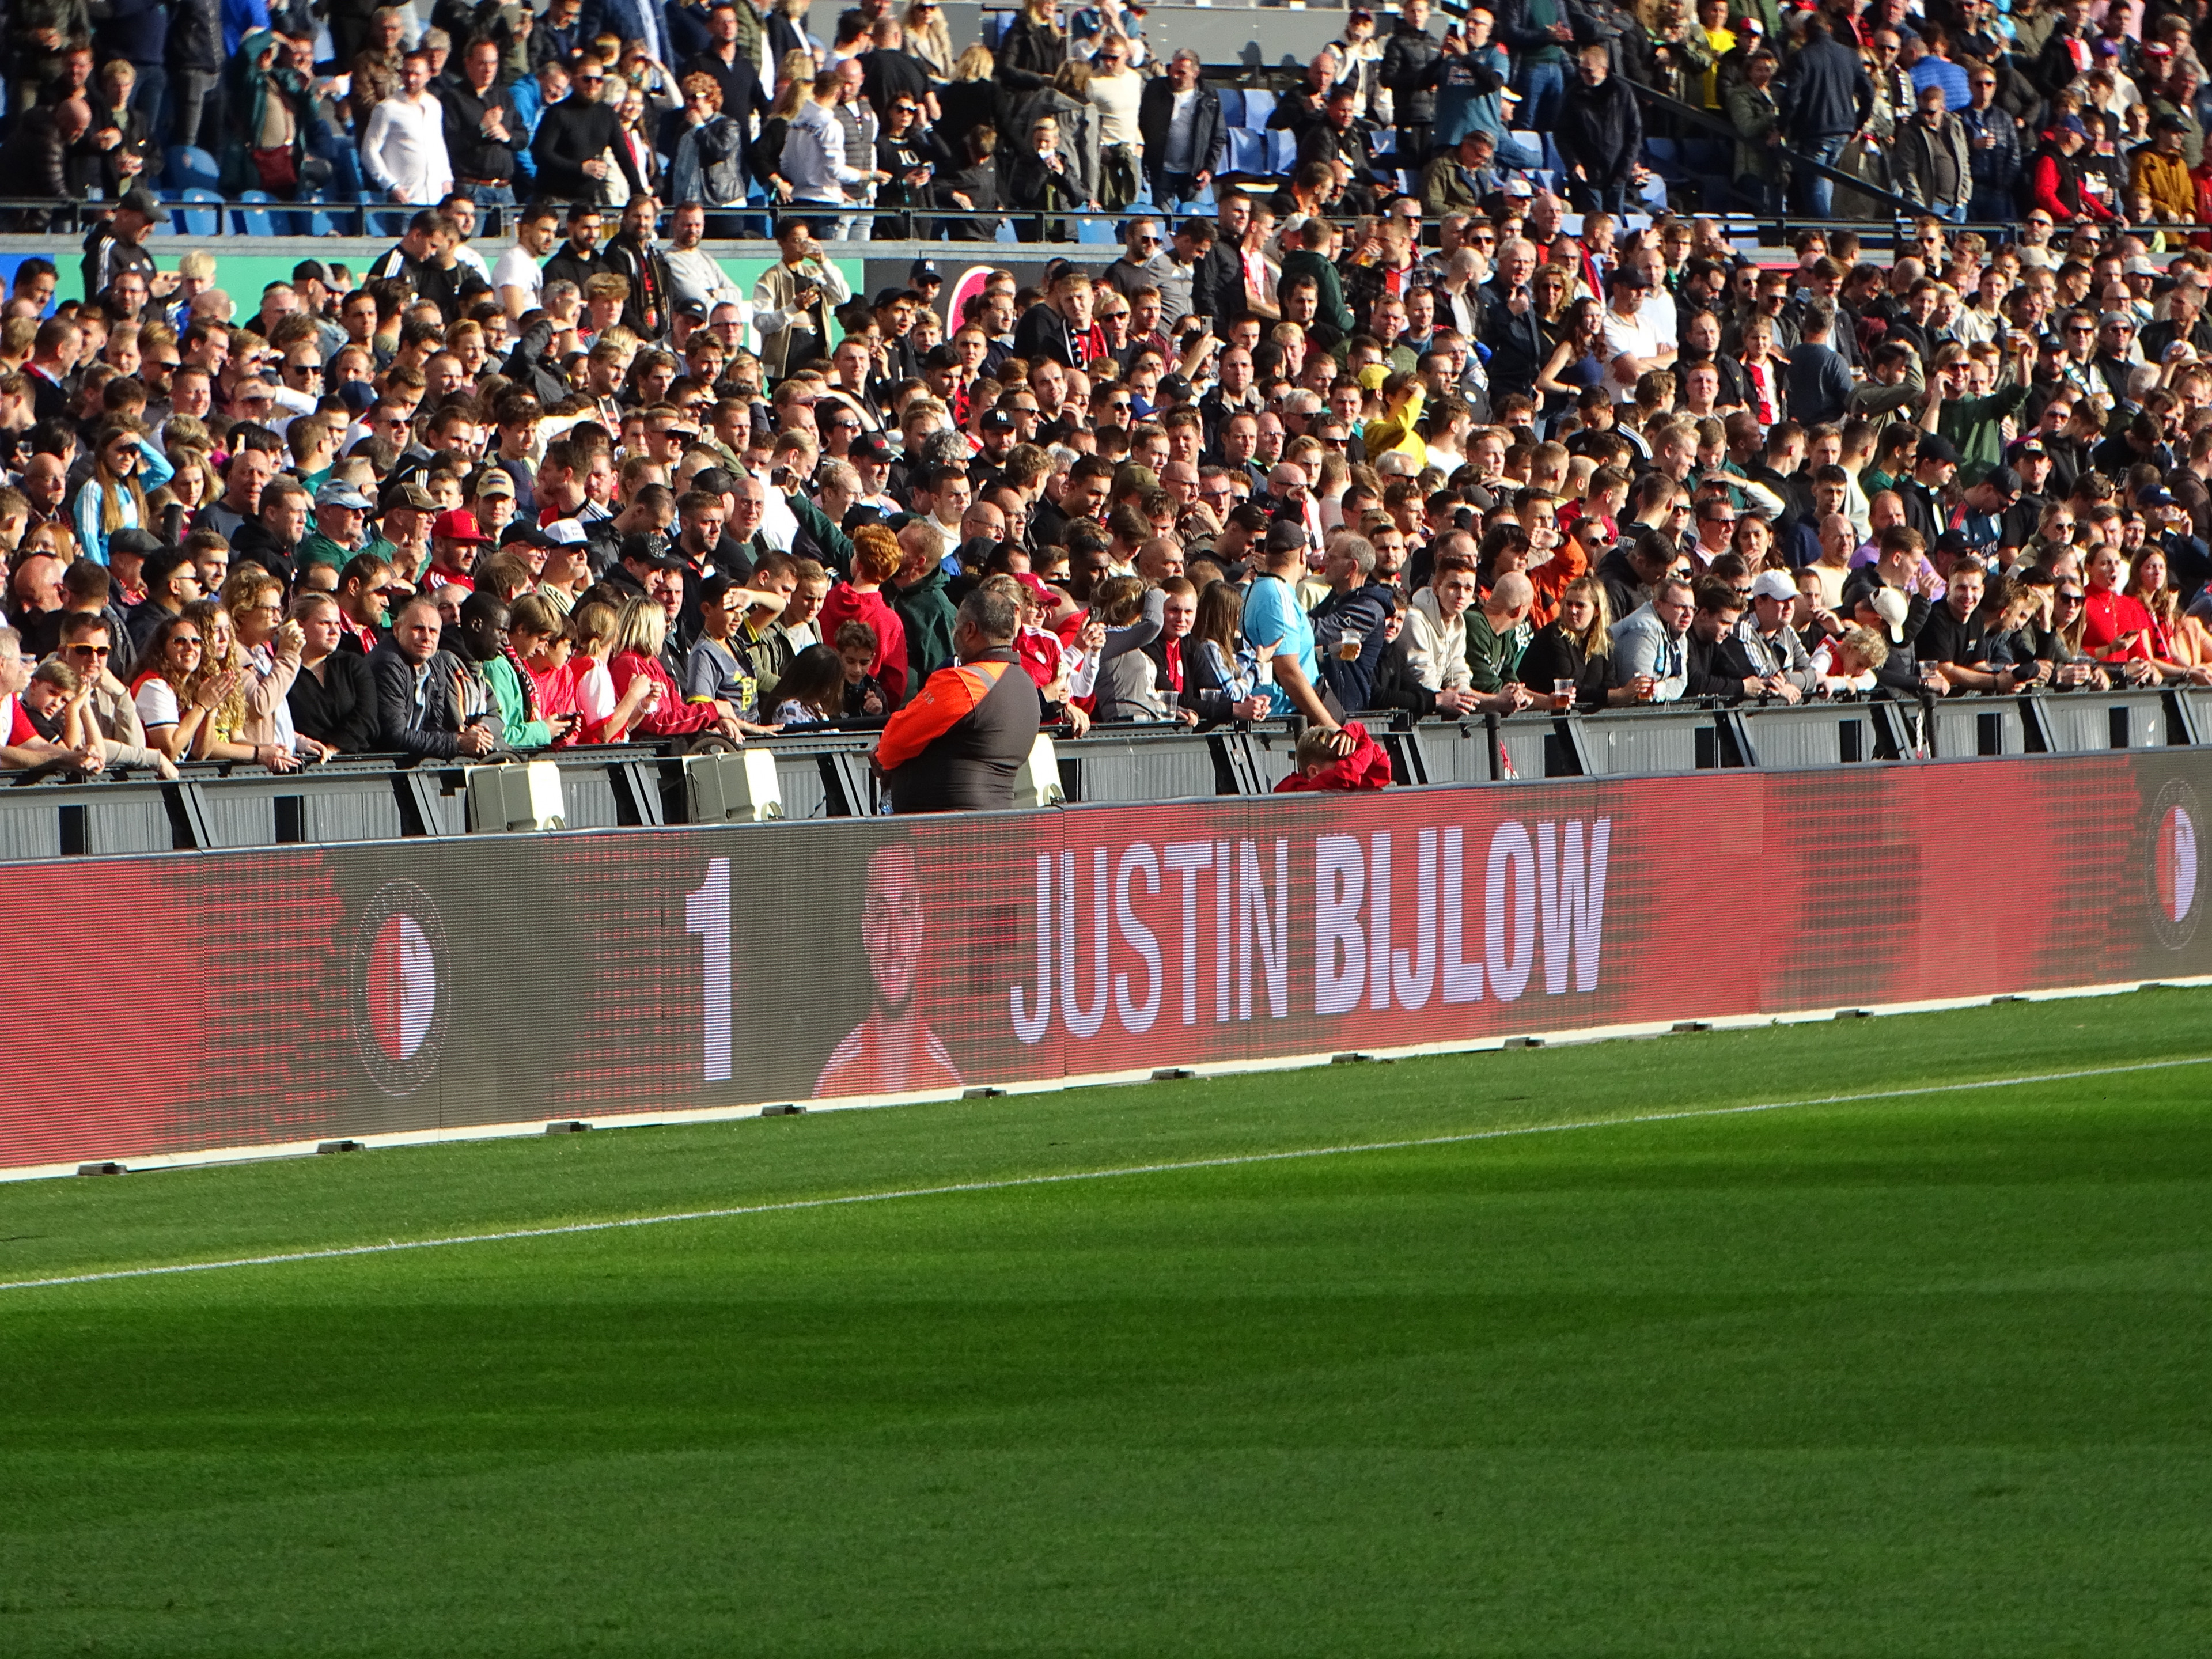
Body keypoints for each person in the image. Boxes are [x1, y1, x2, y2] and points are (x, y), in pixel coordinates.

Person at [870, 585, 1043, 812]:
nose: (954, 634)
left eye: (957, 627)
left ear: (970, 630)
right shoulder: (1025, 684)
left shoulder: (966, 682)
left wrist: (882, 756)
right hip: (996, 820)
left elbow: (893, 743)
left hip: (942, 830)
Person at [813, 842, 964, 1097]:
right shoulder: (834, 1081)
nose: (894, 941)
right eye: (882, 914)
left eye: (904, 913)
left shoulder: (947, 1079)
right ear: (866, 931)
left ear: (920, 925)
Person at [1275, 721, 1392, 792]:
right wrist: (1360, 732)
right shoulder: (1300, 790)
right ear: (1313, 772)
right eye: (1340, 765)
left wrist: (1358, 736)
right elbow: (1347, 775)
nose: (1346, 765)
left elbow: (1380, 770)